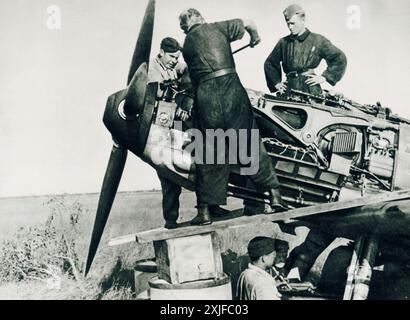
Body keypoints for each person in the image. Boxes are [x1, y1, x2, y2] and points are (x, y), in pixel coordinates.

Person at [179, 9, 287, 226]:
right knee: (249, 144)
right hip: (232, 91)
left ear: (185, 27)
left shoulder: (187, 46)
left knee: (210, 152)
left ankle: (205, 212)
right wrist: (254, 37)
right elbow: (250, 21)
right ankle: (275, 196)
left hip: (207, 97)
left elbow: (190, 79)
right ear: (201, 17)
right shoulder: (218, 27)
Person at [148, 37, 228, 229]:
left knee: (203, 160)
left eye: (177, 57)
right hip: (163, 127)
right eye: (172, 57)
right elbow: (156, 97)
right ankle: (170, 220)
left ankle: (211, 206)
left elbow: (189, 69)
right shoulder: (152, 71)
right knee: (168, 174)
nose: (175, 60)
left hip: (182, 123)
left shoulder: (176, 66)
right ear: (162, 52)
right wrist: (177, 109)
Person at [264, 4, 347, 96]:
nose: (290, 27)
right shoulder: (283, 42)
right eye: (288, 24)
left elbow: (339, 57)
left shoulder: (318, 40)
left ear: (303, 20)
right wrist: (276, 82)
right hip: (289, 89)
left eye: (293, 23)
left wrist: (325, 77)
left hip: (310, 89)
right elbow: (270, 63)